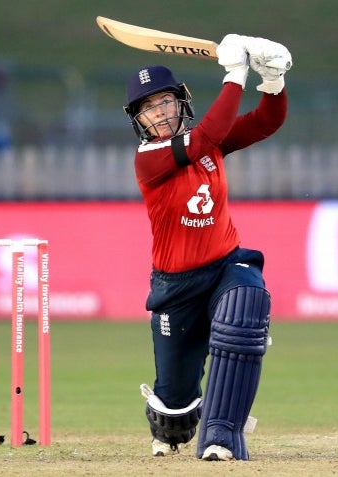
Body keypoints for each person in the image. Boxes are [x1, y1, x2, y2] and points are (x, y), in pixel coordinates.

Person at [124, 34, 291, 461]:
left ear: (181, 103)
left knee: (247, 303)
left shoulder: (208, 140)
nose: (159, 114)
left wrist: (273, 81)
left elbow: (265, 123)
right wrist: (235, 75)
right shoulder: (151, 157)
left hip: (225, 264)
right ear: (138, 121)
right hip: (176, 286)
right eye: (148, 109)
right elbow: (204, 138)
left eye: (164, 103)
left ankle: (221, 433)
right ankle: (179, 422)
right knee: (175, 413)